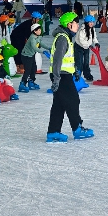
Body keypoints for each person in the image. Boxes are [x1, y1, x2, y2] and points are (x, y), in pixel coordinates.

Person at [46, 12, 94, 143]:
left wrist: (75, 71)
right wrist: (56, 79)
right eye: (76, 23)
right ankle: (77, 128)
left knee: (59, 104)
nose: (78, 25)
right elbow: (57, 60)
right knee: (73, 100)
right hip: (61, 76)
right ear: (69, 24)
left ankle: (53, 132)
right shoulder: (63, 38)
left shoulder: (66, 37)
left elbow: (67, 59)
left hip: (64, 74)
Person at [17, 22, 50, 93]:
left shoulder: (38, 37)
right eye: (39, 30)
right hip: (26, 56)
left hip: (31, 55)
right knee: (28, 70)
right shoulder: (32, 38)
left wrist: (48, 48)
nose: (40, 31)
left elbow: (41, 43)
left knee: (34, 68)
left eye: (40, 30)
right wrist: (43, 51)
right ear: (34, 31)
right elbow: (34, 47)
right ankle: (22, 84)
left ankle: (31, 81)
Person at [74, 15, 98, 81]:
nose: (92, 23)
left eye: (93, 22)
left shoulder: (92, 29)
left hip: (86, 47)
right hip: (79, 47)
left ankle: (87, 75)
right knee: (79, 62)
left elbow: (94, 37)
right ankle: (77, 75)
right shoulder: (82, 30)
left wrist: (96, 43)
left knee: (86, 62)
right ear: (87, 23)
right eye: (90, 22)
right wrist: (88, 45)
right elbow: (81, 40)